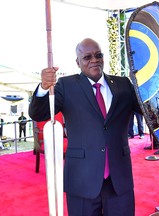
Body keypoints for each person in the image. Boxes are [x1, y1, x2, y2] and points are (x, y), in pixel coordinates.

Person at [29, 38, 142, 216]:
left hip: (119, 179)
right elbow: (38, 113)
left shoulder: (123, 84)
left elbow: (147, 111)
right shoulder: (66, 86)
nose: (94, 60)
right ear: (78, 62)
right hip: (82, 179)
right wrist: (44, 87)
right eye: (87, 57)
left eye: (98, 55)